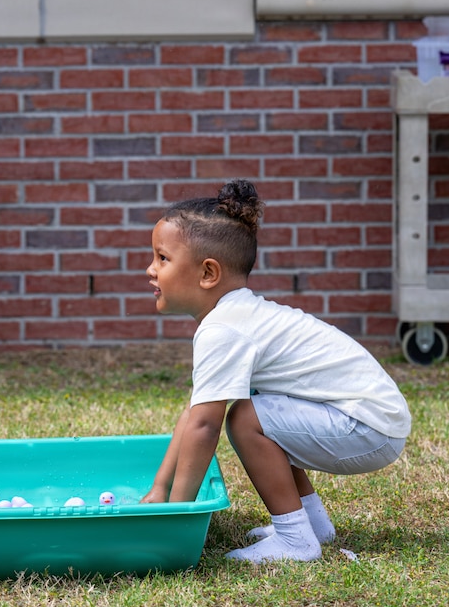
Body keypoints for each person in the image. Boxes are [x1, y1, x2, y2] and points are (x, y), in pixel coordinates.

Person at [140, 180, 411, 564]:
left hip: (368, 427)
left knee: (247, 418)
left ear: (208, 273)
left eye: (162, 258)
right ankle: (313, 526)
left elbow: (204, 428)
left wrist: (175, 521)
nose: (150, 269)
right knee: (259, 409)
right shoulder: (233, 317)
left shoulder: (225, 329)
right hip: (374, 421)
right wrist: (159, 489)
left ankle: (295, 540)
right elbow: (193, 414)